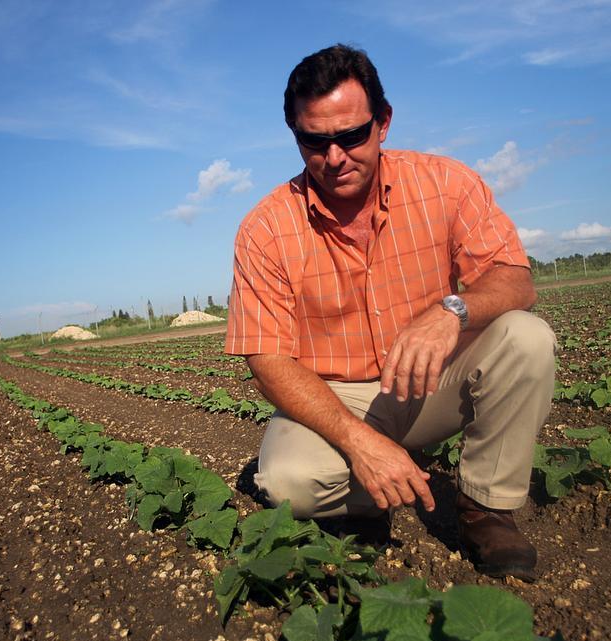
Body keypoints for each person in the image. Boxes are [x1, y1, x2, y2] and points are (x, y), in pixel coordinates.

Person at [225, 43, 556, 581]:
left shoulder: (445, 183)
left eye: (352, 135)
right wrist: (359, 442)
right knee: (288, 481)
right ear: (295, 135)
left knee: (526, 337)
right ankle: (369, 496)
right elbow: (266, 357)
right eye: (315, 141)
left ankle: (486, 508)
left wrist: (452, 310)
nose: (334, 157)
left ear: (383, 123)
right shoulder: (266, 228)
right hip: (339, 397)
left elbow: (514, 279)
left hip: (429, 382)